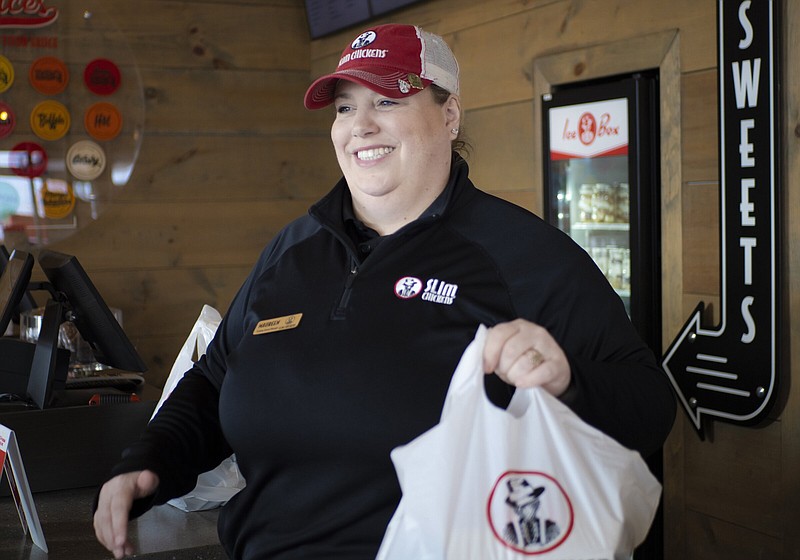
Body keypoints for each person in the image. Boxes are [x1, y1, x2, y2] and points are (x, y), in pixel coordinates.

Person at [93, 23, 676, 559]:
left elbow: (650, 405)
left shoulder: (523, 257)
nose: (360, 125)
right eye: (346, 107)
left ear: (449, 117)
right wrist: (149, 463)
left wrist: (567, 381)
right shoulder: (292, 250)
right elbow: (216, 377)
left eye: (387, 101)